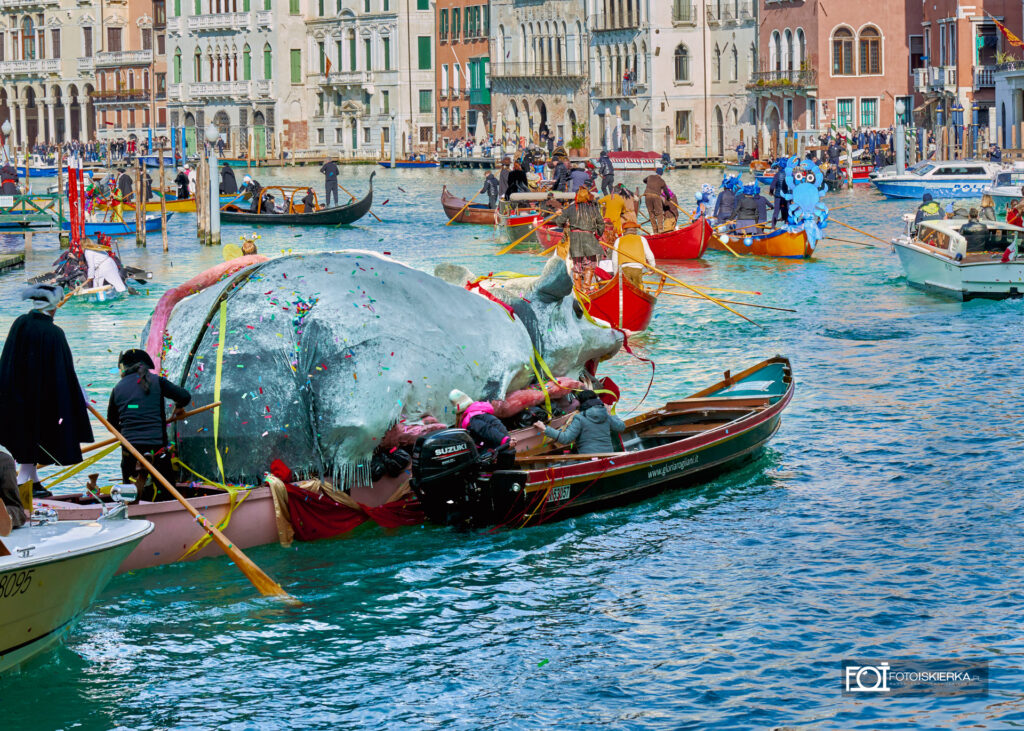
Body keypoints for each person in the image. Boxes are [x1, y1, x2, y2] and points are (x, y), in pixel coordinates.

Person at [0, 284, 93, 504]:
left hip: (17, 396)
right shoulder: (55, 333)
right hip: (43, 399)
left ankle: (33, 482)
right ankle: (23, 485)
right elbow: (64, 372)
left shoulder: (20, 323)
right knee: (36, 437)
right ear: (53, 308)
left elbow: (8, 361)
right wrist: (78, 398)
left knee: (27, 439)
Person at [107, 349, 191, 499]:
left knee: (129, 497)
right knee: (167, 494)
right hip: (157, 449)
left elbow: (112, 423)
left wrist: (128, 431)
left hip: (130, 451)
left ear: (125, 367)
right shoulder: (158, 381)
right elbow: (184, 396)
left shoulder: (117, 388)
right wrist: (178, 407)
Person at [533, 389, 625, 455]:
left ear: (582, 403)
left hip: (588, 459)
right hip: (608, 456)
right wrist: (611, 414)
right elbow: (621, 427)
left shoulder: (580, 418)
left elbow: (566, 438)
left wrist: (545, 428)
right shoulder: (606, 416)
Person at [554, 187, 606, 289]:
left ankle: (578, 290)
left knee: (577, 265)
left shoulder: (570, 208)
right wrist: (597, 235)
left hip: (575, 239)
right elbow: (601, 224)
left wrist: (566, 224)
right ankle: (586, 289)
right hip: (589, 238)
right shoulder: (593, 209)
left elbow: (559, 221)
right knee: (590, 265)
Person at [449, 389, 515, 451]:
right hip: (502, 446)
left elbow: (487, 429)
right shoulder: (478, 411)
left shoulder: (472, 418)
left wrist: (505, 441)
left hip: (501, 449)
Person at [612, 213, 656, 288]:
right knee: (638, 289)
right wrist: (652, 268)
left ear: (624, 231)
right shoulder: (642, 239)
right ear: (635, 231)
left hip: (624, 269)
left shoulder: (618, 240)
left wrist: (616, 274)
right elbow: (650, 256)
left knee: (625, 289)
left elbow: (614, 261)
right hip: (637, 269)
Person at [643, 167, 668, 232]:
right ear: (661, 174)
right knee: (659, 213)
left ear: (656, 172)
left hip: (647, 196)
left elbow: (644, 180)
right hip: (656, 196)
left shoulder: (650, 176)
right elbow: (666, 191)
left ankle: (655, 230)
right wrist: (668, 198)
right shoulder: (662, 181)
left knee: (651, 213)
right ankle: (660, 229)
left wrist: (649, 183)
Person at [769, 160, 789, 227]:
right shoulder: (789, 174)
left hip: (778, 196)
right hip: (786, 197)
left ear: (780, 167)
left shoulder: (777, 175)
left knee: (776, 212)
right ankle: (786, 226)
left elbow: (772, 186)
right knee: (787, 212)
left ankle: (773, 227)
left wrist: (771, 192)